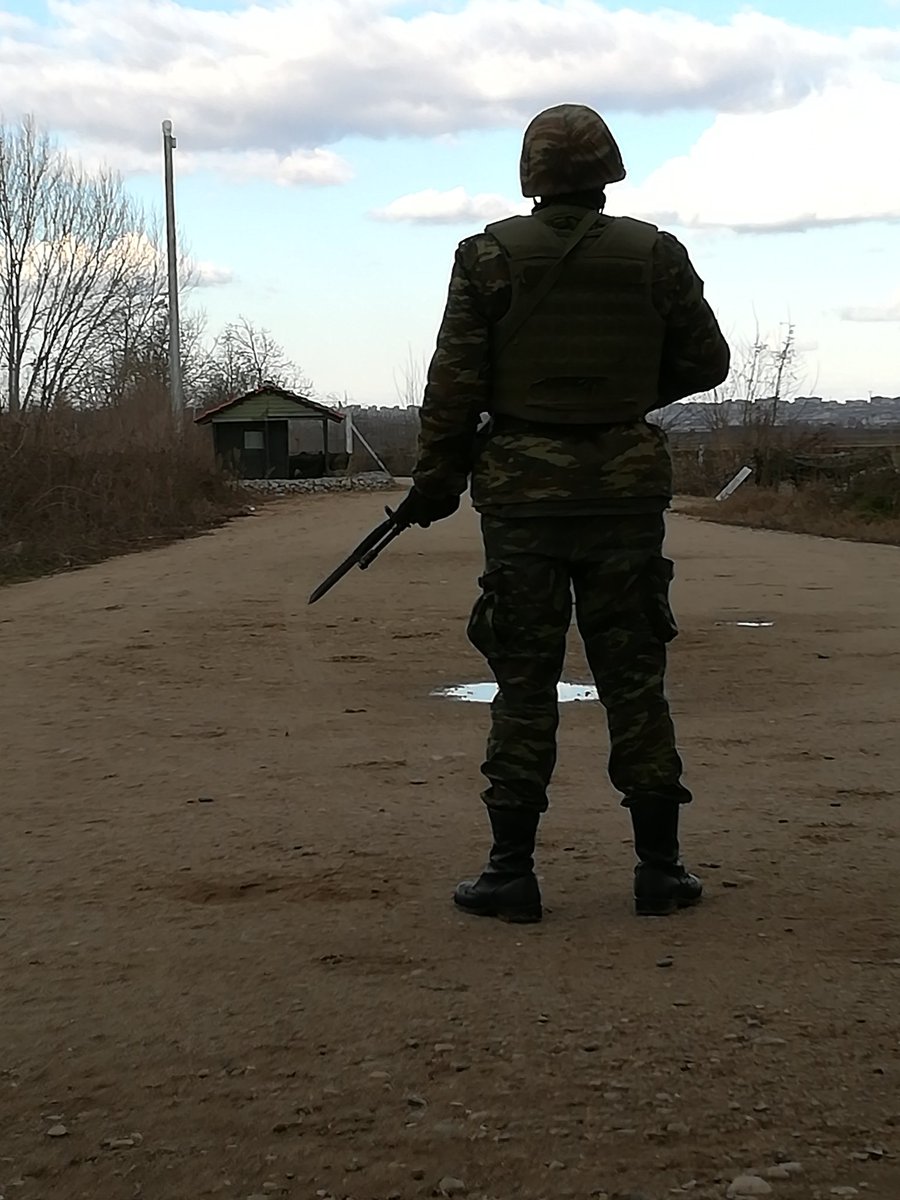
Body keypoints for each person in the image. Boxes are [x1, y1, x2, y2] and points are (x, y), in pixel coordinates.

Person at [395, 103, 730, 923]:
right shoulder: (656, 253)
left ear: (532, 172)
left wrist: (437, 482)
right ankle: (660, 871)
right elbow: (709, 359)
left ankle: (511, 874)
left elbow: (453, 385)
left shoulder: (486, 257)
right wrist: (623, 396)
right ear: (608, 168)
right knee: (635, 680)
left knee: (522, 683)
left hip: (522, 499)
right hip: (624, 491)